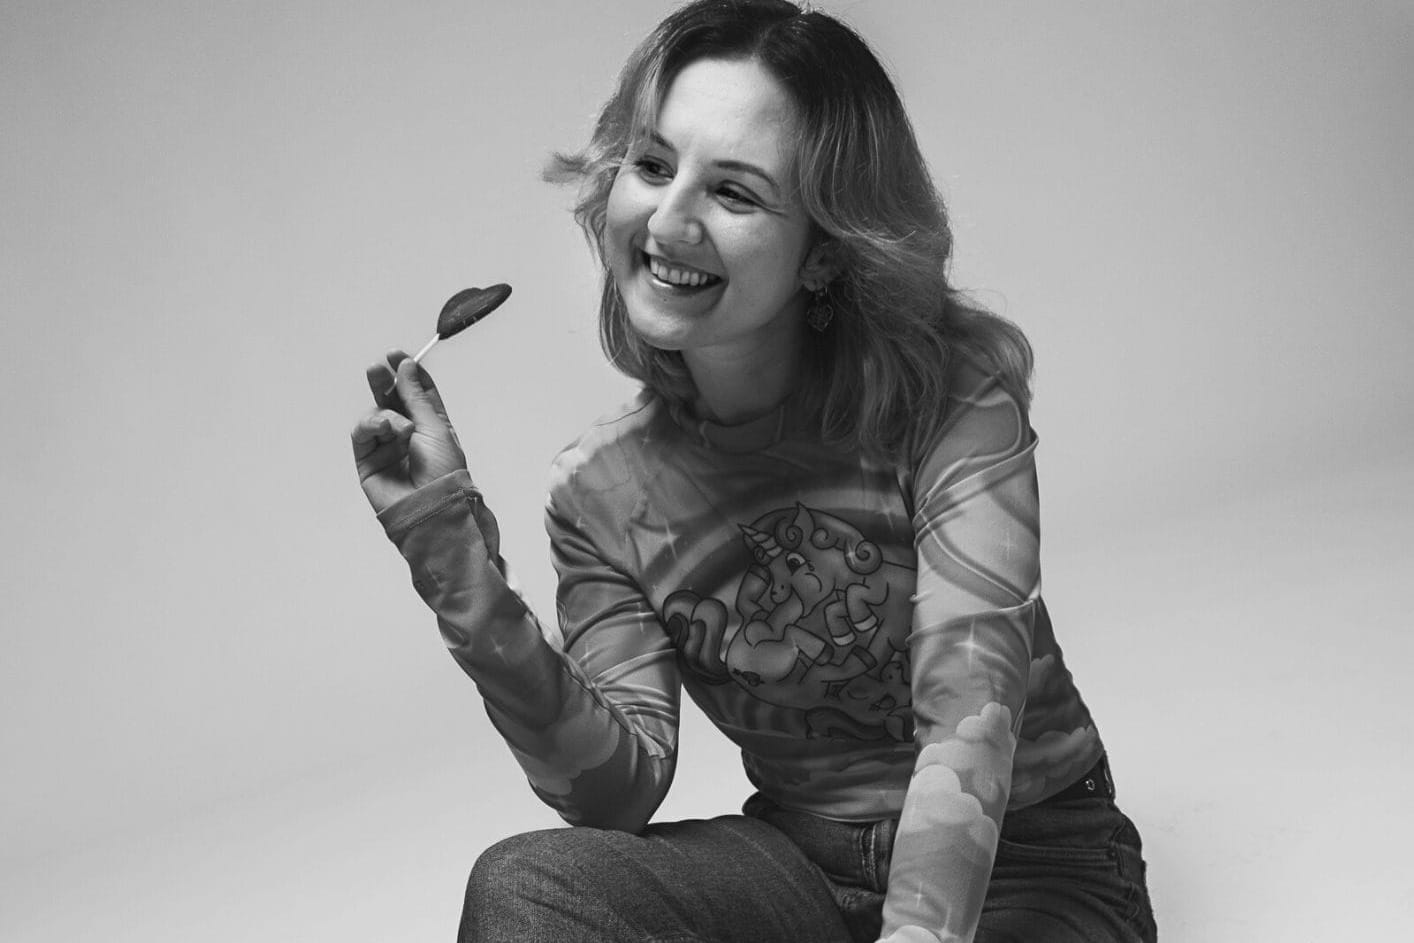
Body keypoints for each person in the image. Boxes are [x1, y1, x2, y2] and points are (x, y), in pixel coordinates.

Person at [351, 1, 1157, 941]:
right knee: (525, 889)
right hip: (806, 861)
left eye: (734, 192)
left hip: (1028, 850)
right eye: (654, 166)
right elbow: (614, 791)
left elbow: (968, 713)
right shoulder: (599, 491)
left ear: (825, 250)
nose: (670, 219)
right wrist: (448, 551)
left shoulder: (949, 393)